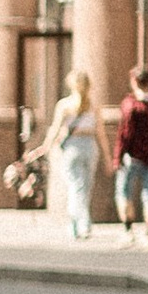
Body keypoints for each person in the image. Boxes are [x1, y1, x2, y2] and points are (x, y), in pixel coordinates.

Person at [32, 68, 104, 241]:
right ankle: (83, 223)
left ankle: (77, 224)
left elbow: (56, 129)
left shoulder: (64, 105)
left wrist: (44, 147)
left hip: (72, 148)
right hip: (90, 146)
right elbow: (100, 132)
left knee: (76, 186)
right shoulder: (94, 106)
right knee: (85, 187)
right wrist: (107, 156)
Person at [114, 65, 148, 244]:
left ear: (134, 81)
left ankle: (128, 231)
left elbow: (125, 133)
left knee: (124, 193)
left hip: (132, 156)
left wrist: (118, 156)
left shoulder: (131, 104)